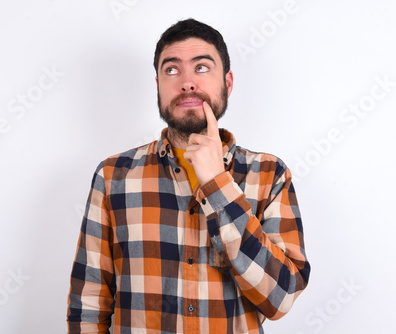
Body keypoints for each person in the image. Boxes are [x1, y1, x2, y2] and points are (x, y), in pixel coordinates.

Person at [67, 18, 310, 334]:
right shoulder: (114, 176)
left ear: (228, 83)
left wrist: (217, 185)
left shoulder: (269, 174)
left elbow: (281, 298)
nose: (187, 82)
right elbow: (88, 306)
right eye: (172, 70)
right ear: (158, 85)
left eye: (202, 68)